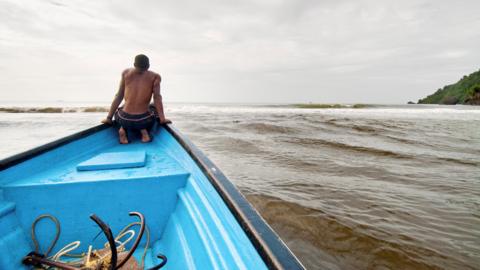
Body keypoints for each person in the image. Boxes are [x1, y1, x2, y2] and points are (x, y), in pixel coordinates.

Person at [102, 54, 171, 144]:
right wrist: (162, 119)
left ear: (134, 64)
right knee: (153, 107)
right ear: (148, 66)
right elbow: (157, 98)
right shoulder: (155, 76)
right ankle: (144, 133)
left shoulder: (125, 73)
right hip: (143, 121)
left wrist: (109, 118)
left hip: (124, 119)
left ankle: (122, 129)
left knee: (123, 107)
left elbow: (119, 96)